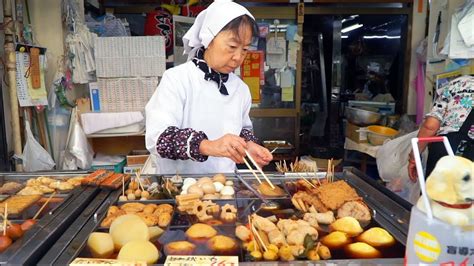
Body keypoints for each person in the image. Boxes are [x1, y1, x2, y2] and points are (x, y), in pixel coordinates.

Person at [145, 0, 273, 174]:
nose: (238, 57)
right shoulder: (177, 79)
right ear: (209, 38)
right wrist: (209, 146)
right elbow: (158, 139)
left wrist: (248, 145)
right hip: (179, 188)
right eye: (232, 46)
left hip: (224, 187)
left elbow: (242, 128)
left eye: (244, 49)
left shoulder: (241, 89)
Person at [408, 75, 473, 181]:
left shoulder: (458, 83)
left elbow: (431, 126)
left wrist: (414, 157)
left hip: (445, 148)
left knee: (435, 195)